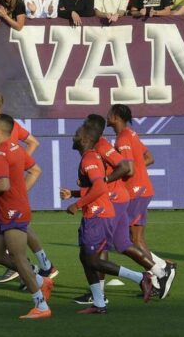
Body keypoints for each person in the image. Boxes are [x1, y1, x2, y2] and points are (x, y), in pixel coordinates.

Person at [60, 121, 161, 314]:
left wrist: (76, 204)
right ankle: (99, 303)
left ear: (85, 139)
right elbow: (96, 186)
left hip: (98, 215)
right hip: (97, 212)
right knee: (85, 257)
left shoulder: (89, 159)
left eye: (77, 132)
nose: (74, 134)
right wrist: (74, 193)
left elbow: (100, 187)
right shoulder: (89, 156)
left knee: (94, 260)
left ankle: (141, 278)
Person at [0, 113, 54, 319]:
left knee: (19, 259)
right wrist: (20, 192)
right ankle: (41, 281)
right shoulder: (17, 148)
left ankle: (41, 306)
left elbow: (3, 185)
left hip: (13, 212)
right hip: (10, 211)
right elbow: (36, 171)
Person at [107, 104, 177, 298]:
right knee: (136, 239)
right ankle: (160, 275)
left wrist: (111, 177)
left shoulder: (123, 139)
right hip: (142, 190)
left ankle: (162, 269)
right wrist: (135, 169)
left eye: (109, 113)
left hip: (136, 192)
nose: (106, 116)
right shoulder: (131, 134)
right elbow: (148, 158)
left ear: (115, 117)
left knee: (126, 240)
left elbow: (128, 169)